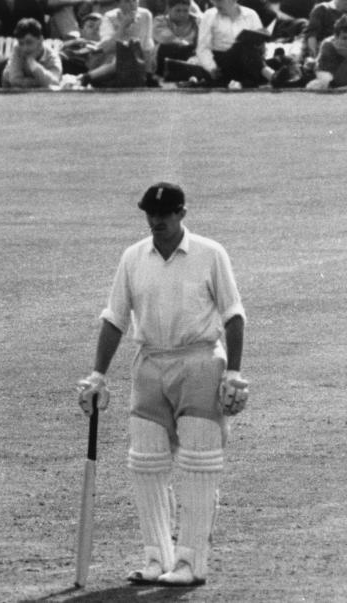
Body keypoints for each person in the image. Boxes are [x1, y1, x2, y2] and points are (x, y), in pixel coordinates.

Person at [76, 182, 248, 587]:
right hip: (149, 362)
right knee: (146, 463)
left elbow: (234, 315)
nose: (156, 222)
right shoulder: (134, 257)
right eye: (151, 215)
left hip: (200, 360)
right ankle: (157, 559)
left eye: (165, 214)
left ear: (182, 213)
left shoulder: (210, 253)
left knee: (198, 466)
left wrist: (234, 372)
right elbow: (115, 318)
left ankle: (191, 563)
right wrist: (98, 374)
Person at [80, 0, 154, 86]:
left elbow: (146, 45)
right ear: (119, 4)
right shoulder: (109, 17)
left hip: (139, 60)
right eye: (127, 1)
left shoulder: (145, 14)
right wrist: (123, 27)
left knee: (136, 56)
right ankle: (88, 77)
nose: (132, 5)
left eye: (134, 1)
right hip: (112, 61)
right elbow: (106, 48)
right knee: (124, 56)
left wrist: (149, 74)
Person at [0, 17, 62, 87]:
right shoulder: (17, 49)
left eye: (29, 42)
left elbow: (54, 82)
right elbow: (14, 80)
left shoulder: (52, 55)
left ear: (40, 40)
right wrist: (40, 82)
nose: (25, 48)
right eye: (21, 43)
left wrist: (32, 63)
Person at [153, 0, 198, 77]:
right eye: (178, 10)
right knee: (166, 47)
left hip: (189, 58)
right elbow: (165, 38)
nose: (182, 14)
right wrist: (182, 42)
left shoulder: (196, 22)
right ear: (169, 9)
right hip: (165, 59)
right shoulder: (160, 20)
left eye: (185, 10)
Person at [306, 13, 347, 87]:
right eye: (345, 38)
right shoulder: (329, 44)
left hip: (337, 74)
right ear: (336, 36)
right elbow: (322, 68)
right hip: (328, 73)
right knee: (327, 81)